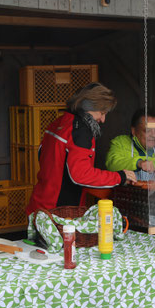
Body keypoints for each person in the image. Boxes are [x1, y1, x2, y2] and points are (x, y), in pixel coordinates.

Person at [25, 83, 136, 215]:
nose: (103, 119)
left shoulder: (60, 122)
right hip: (57, 214)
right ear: (90, 106)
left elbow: (42, 155)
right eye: (102, 112)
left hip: (39, 207)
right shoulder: (81, 131)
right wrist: (119, 177)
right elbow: (80, 175)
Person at [106, 108, 155, 179]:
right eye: (147, 130)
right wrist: (138, 163)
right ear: (134, 131)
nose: (153, 135)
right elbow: (111, 165)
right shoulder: (120, 143)